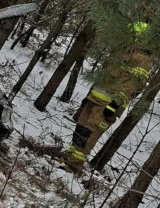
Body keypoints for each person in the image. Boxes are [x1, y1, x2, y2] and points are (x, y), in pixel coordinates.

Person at [64, 22, 153, 173]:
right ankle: (69, 157)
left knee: (90, 133)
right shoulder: (123, 52)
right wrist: (90, 95)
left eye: (134, 34)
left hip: (109, 103)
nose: (130, 37)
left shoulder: (143, 60)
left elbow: (133, 84)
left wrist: (115, 104)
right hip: (95, 98)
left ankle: (73, 165)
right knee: (81, 127)